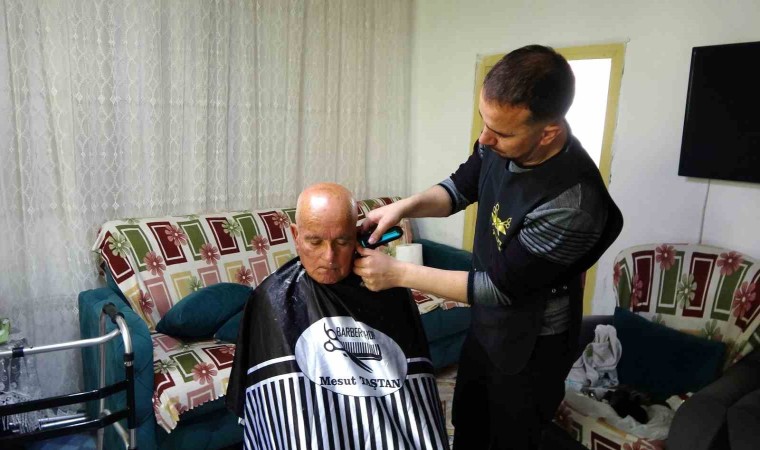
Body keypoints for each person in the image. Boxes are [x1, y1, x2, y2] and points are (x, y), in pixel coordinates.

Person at [353, 45, 624, 449]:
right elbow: (460, 188)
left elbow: (498, 287)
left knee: (509, 437)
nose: (484, 138)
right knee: (469, 420)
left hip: (533, 344)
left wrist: (398, 274)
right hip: (489, 324)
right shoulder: (498, 139)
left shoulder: (572, 203)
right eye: (484, 121)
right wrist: (402, 207)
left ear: (548, 132)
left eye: (501, 132)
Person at [226, 182, 449, 450]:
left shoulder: (389, 291)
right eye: (315, 241)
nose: (329, 256)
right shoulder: (272, 297)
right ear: (296, 235)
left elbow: (411, 396)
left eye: (342, 241)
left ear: (356, 237)